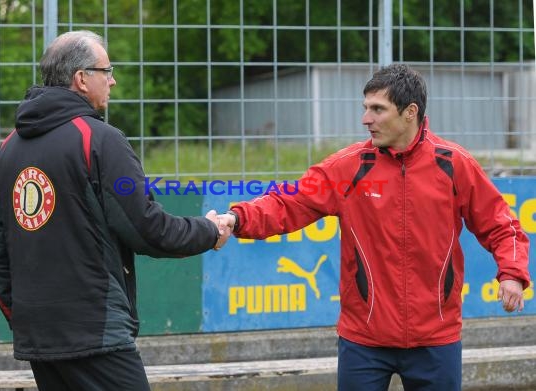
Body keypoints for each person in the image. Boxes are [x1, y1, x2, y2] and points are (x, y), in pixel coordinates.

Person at [219, 63, 530, 390]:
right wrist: (237, 218)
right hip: (364, 340)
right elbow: (287, 203)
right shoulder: (347, 167)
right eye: (365, 108)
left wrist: (511, 274)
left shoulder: (454, 164)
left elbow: (501, 224)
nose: (366, 118)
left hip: (436, 338)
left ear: (410, 112)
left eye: (377, 109)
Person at [0, 30, 230, 391]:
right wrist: (209, 231)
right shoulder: (99, 139)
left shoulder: (8, 148)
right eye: (106, 70)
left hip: (39, 336)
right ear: (81, 79)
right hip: (95, 332)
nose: (113, 79)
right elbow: (147, 228)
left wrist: (21, 314)